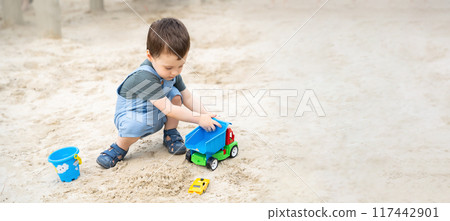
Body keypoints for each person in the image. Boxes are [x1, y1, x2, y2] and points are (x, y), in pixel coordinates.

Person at [97, 18, 221, 169]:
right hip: (133, 114)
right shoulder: (144, 77)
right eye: (169, 68)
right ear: (150, 56)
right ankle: (118, 148)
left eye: (181, 66)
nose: (175, 72)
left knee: (176, 95)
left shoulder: (172, 73)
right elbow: (168, 109)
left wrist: (206, 114)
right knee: (135, 125)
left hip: (156, 109)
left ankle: (170, 134)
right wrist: (199, 119)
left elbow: (187, 96)